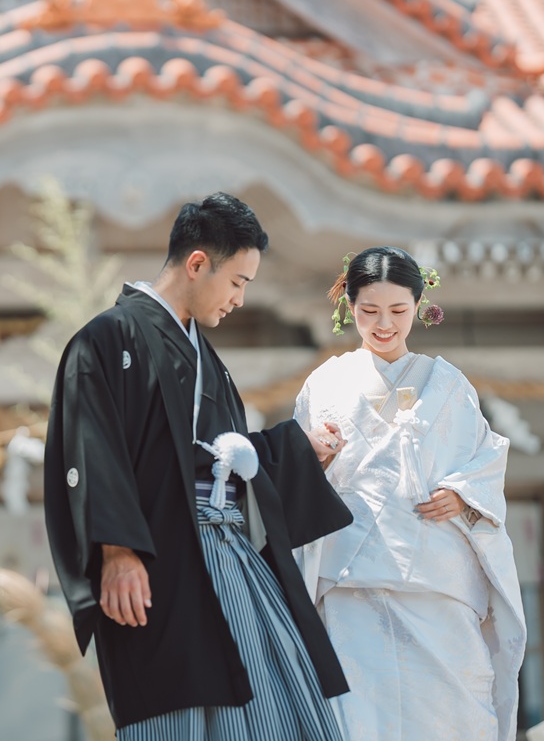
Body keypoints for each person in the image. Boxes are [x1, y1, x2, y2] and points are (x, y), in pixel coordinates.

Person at [44, 192, 353, 739]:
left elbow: (223, 465)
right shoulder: (107, 339)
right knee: (176, 713)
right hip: (157, 562)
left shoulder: (208, 361)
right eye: (237, 282)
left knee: (281, 704)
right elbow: (91, 448)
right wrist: (117, 551)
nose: (238, 300)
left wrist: (300, 450)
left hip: (230, 555)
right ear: (196, 263)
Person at [293, 246, 526, 741]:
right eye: (369, 311)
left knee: (452, 716)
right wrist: (313, 459)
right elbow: (294, 474)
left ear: (419, 306)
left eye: (398, 311)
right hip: (351, 579)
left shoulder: (448, 385)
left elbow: (486, 458)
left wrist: (463, 495)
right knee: (357, 717)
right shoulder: (324, 383)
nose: (384, 324)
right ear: (348, 306)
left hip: (436, 580)